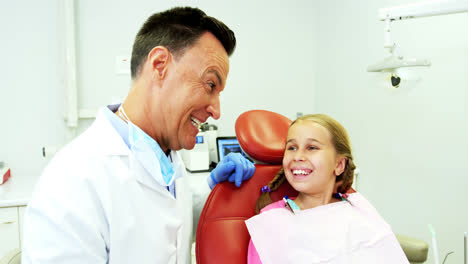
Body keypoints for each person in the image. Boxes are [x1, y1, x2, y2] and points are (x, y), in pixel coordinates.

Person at [22, 7, 254, 264]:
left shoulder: (166, 155)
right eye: (210, 85)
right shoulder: (71, 184)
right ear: (159, 65)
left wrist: (212, 190)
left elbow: (167, 227)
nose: (217, 110)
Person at [245, 114, 408, 264]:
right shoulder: (271, 222)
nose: (298, 156)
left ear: (339, 165)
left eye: (312, 148)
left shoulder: (358, 208)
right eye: (292, 147)